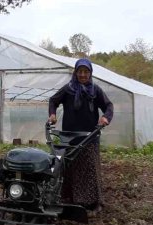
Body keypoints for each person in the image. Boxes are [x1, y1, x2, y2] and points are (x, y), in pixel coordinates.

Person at [48, 58, 113, 214]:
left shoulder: (95, 90)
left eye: (86, 72)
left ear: (90, 73)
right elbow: (53, 100)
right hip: (70, 137)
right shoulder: (68, 89)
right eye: (80, 71)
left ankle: (94, 202)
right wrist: (52, 114)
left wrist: (105, 118)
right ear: (75, 72)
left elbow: (108, 106)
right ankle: (70, 198)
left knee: (90, 168)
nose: (83, 75)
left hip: (89, 136)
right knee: (69, 167)